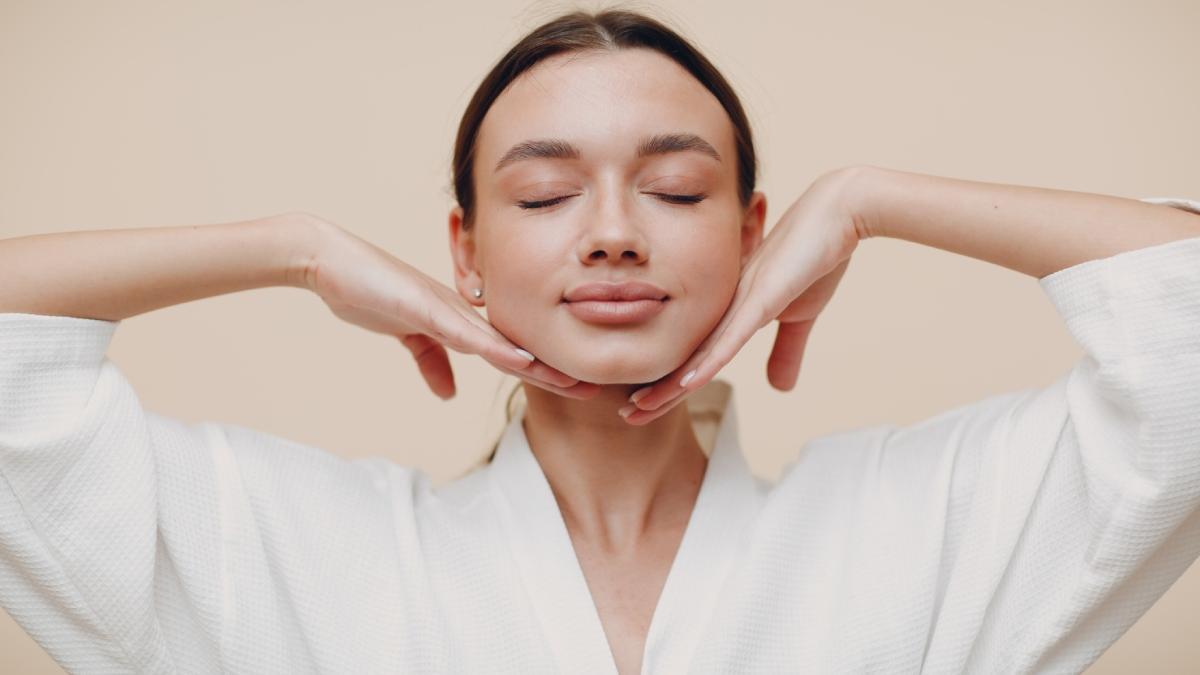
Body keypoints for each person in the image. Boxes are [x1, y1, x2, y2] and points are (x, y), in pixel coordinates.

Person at [1, 7, 1199, 674]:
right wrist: (293, 246)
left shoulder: (908, 525)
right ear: (463, 251)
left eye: (677, 192)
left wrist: (875, 198)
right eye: (544, 197)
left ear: (756, 238)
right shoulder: (297, 547)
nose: (617, 234)